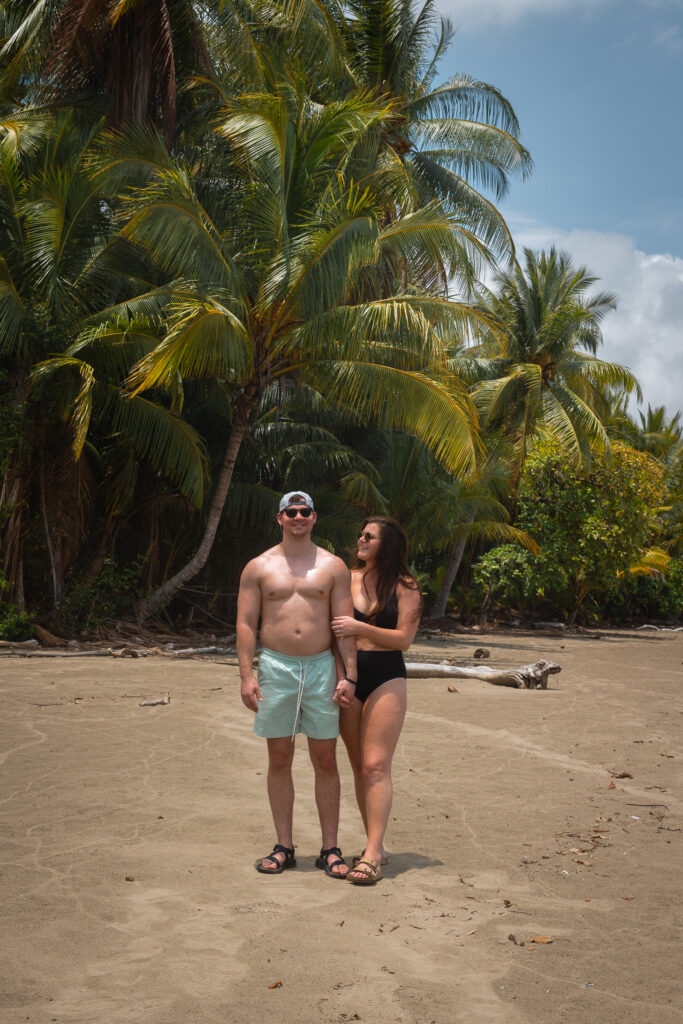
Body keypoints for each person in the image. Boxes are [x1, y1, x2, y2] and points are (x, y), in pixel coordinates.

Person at [237, 491, 358, 877]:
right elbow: (245, 623)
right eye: (291, 512)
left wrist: (349, 674)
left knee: (325, 757)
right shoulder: (258, 567)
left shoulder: (334, 566)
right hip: (276, 667)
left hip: (321, 667)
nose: (298, 517)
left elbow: (343, 626)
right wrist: (245, 675)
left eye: (305, 511)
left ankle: (330, 848)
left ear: (314, 517)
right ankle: (284, 846)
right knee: (279, 758)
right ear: (280, 518)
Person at [331, 517, 422, 885]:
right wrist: (343, 676)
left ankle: (371, 854)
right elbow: (333, 634)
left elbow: (403, 639)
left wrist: (361, 628)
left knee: (375, 765)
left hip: (387, 675)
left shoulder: (405, 585)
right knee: (358, 766)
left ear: (388, 545)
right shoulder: (344, 578)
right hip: (350, 677)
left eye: (370, 536)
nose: (361, 538)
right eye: (361, 533)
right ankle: (375, 845)